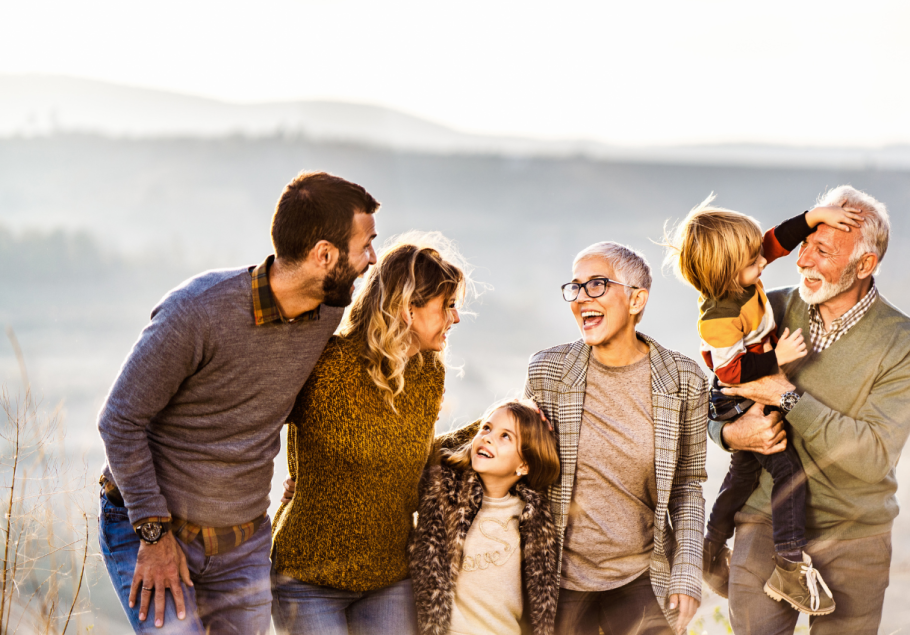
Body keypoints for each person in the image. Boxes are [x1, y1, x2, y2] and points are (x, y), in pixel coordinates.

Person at [96, 171, 379, 634]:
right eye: (365, 245)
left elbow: (295, 397)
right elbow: (119, 420)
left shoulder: (329, 311)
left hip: (243, 545)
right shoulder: (197, 311)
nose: (372, 258)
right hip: (153, 528)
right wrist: (154, 533)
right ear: (324, 256)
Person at [709, 186, 910, 634]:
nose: (803, 260)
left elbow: (872, 459)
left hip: (857, 536)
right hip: (764, 521)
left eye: (822, 250)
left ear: (865, 264)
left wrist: (786, 396)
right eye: (806, 244)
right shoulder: (768, 308)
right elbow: (713, 401)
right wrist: (733, 435)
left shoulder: (907, 345)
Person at [664, 196, 862, 614]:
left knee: (742, 474)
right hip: (735, 397)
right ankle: (789, 563)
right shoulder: (717, 316)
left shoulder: (742, 277)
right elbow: (733, 373)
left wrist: (814, 218)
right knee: (787, 470)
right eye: (753, 261)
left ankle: (707, 547)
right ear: (726, 272)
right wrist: (778, 358)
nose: (764, 262)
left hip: (748, 385)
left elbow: (775, 241)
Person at [270, 232, 471, 635]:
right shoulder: (326, 363)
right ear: (407, 307)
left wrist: (486, 433)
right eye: (446, 306)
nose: (455, 318)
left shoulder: (429, 372)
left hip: (390, 576)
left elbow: (413, 461)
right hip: (307, 578)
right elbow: (252, 424)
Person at [526, 241, 708, 635]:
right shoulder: (548, 373)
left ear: (637, 299)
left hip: (640, 577)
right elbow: (518, 453)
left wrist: (687, 571)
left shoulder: (684, 380)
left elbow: (687, 484)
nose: (581, 298)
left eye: (597, 285)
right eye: (575, 287)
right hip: (559, 580)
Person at [409, 399, 562, 635]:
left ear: (524, 465)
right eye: (486, 428)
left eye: (506, 437)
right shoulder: (443, 494)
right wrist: (489, 428)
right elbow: (425, 453)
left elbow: (539, 598)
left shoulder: (534, 518)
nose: (488, 437)